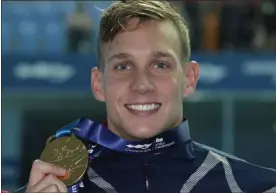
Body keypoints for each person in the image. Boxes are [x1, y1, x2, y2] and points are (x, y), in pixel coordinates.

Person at [14, 0, 276, 193]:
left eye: (160, 65)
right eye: (123, 66)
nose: (141, 84)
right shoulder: (50, 189)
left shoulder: (258, 187)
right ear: (98, 84)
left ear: (190, 78)